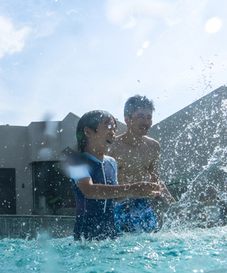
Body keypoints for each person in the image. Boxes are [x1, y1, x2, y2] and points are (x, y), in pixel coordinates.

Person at [67, 110, 161, 240]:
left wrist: (139, 193)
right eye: (108, 127)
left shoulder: (111, 163)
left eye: (115, 129)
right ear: (88, 132)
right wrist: (132, 187)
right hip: (85, 239)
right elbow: (89, 191)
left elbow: (115, 198)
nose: (113, 132)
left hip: (111, 236)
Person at [109, 95, 175, 234]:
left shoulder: (153, 146)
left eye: (149, 117)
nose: (146, 122)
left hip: (143, 207)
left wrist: (174, 205)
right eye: (140, 116)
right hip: (117, 206)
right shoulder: (112, 147)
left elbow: (156, 179)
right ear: (127, 119)